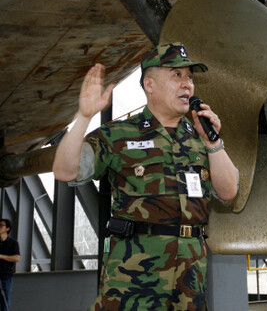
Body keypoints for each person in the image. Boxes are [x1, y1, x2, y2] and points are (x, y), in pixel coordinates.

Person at [52, 42, 239, 311]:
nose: (187, 84)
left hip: (190, 279)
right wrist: (83, 117)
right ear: (149, 85)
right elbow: (64, 170)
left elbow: (229, 191)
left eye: (190, 77)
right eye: (177, 75)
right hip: (133, 280)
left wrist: (213, 141)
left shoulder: (200, 137)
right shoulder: (119, 134)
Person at [0, 219, 19, 311]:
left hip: (5, 275)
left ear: (7, 228)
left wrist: (1, 256)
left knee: (5, 300)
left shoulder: (13, 243)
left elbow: (16, 258)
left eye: (1, 225)